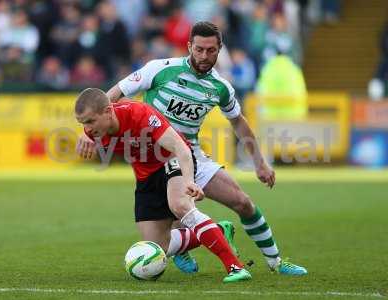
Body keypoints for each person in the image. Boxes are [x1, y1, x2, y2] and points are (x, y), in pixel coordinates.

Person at [78, 22, 307, 275]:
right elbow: (112, 95)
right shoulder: (160, 69)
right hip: (155, 159)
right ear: (189, 47)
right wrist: (88, 134)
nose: (204, 56)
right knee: (170, 223)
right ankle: (191, 244)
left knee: (242, 203)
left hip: (189, 154)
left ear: (220, 49)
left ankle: (276, 262)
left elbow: (238, 122)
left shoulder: (221, 87)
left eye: (211, 50)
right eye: (198, 49)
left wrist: (259, 162)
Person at [75, 87, 251, 283]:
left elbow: (180, 147)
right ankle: (218, 231)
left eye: (90, 121)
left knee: (180, 205)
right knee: (160, 246)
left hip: (171, 158)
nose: (87, 128)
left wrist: (189, 180)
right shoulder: (94, 131)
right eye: (83, 124)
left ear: (109, 111)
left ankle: (235, 267)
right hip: (145, 175)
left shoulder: (139, 114)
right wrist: (86, 134)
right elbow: (90, 133)